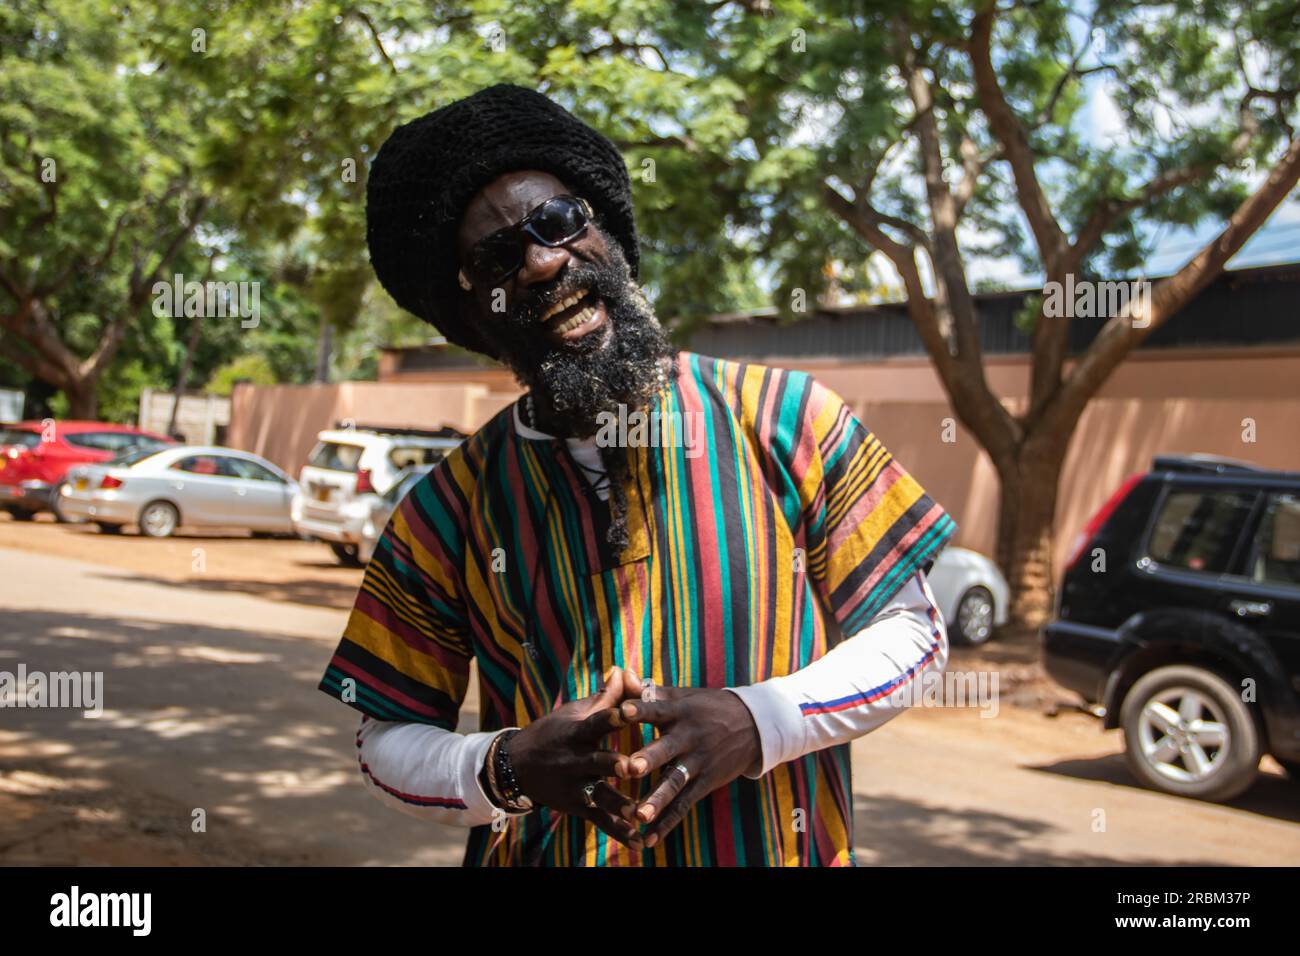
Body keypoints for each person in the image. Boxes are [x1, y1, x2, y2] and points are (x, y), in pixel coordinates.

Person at [319, 84, 957, 866]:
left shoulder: (788, 419)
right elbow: (384, 738)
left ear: (605, 230)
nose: (545, 261)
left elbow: (916, 637)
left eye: (558, 221)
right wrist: (506, 766)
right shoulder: (447, 509)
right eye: (498, 257)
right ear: (475, 311)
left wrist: (760, 720)